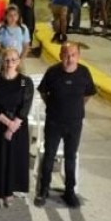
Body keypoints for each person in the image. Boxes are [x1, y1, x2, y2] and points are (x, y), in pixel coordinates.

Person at [35, 42, 96, 208]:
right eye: (66, 55)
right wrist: (54, 106)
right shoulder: (53, 72)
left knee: (70, 157)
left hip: (74, 123)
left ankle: (69, 191)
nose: (69, 59)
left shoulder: (84, 73)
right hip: (54, 121)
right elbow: (43, 92)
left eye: (73, 55)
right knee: (49, 155)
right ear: (61, 55)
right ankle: (43, 189)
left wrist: (76, 108)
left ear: (78, 56)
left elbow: (88, 94)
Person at [0, 47, 33, 207]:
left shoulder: (26, 81)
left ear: (18, 61)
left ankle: (10, 190)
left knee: (14, 157)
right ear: (2, 61)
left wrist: (13, 126)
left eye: (13, 59)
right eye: (7, 59)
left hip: (18, 127)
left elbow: (25, 106)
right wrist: (8, 124)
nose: (10, 62)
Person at [0, 4, 31, 71]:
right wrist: (7, 55)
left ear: (18, 16)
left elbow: (26, 47)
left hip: (18, 60)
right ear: (5, 16)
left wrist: (20, 60)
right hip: (3, 60)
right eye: (10, 15)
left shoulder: (23, 29)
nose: (13, 18)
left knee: (22, 78)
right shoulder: (1, 29)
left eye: (15, 15)